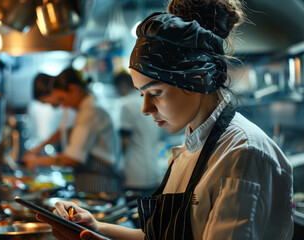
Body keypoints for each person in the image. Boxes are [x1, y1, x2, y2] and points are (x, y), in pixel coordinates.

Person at [36, 0, 294, 239]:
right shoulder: (190, 147)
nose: (145, 108)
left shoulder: (243, 155)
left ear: (193, 80)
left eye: (155, 93)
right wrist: (97, 227)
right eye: (142, 95)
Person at [22, 68, 121, 194]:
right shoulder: (87, 109)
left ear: (73, 89)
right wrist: (38, 150)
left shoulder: (90, 112)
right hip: (92, 182)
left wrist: (35, 161)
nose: (62, 106)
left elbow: (72, 159)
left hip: (100, 185)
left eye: (62, 99)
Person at [114, 71, 162, 197]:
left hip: (134, 174)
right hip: (153, 169)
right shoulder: (149, 101)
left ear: (123, 84)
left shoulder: (126, 103)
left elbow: (124, 142)